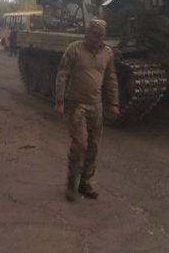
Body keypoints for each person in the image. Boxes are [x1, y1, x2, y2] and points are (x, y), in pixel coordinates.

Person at [54, 19, 120, 202]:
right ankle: (71, 184)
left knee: (94, 145)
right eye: (95, 35)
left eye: (101, 36)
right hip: (76, 104)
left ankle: (85, 182)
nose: (98, 39)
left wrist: (114, 103)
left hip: (96, 105)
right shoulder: (74, 49)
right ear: (88, 33)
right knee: (80, 144)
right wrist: (60, 100)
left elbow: (111, 79)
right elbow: (62, 74)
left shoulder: (107, 53)